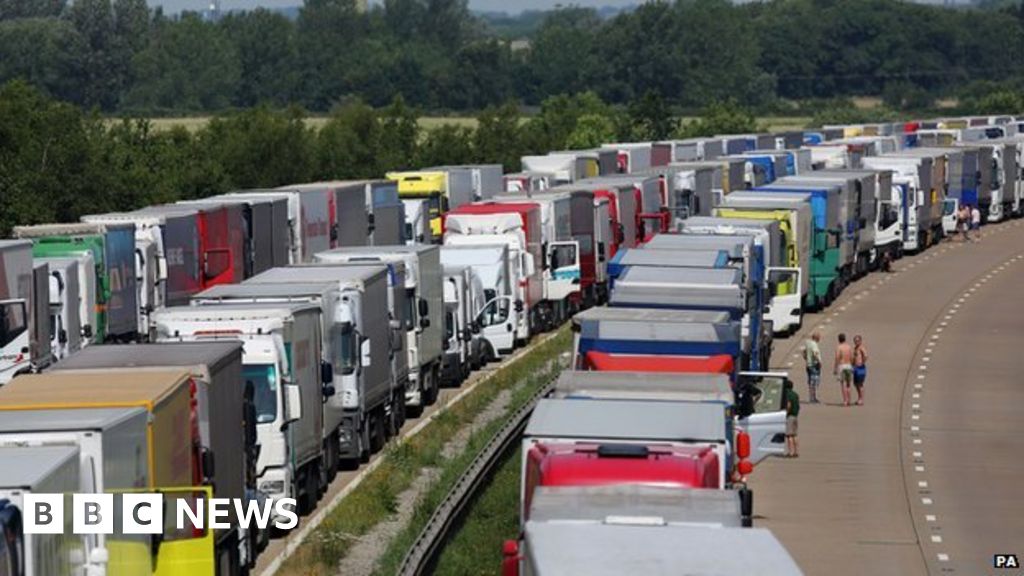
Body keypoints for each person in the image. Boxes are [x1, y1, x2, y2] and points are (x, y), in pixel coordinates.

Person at [834, 333, 854, 407]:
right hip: (848, 365)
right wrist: (852, 365)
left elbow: (837, 357)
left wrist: (835, 367)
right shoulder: (849, 347)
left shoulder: (839, 347)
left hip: (842, 366)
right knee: (848, 384)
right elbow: (851, 357)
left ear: (839, 339)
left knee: (843, 384)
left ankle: (845, 400)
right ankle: (849, 400)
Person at [802, 331, 822, 403]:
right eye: (819, 337)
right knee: (814, 382)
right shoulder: (814, 345)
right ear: (817, 338)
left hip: (808, 364)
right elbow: (815, 353)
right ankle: (813, 398)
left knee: (810, 381)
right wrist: (819, 361)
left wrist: (806, 358)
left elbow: (804, 352)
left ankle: (811, 397)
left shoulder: (808, 343)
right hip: (814, 365)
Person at [783, 379, 800, 457]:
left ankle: (790, 452)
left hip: (789, 416)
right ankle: (796, 451)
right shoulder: (795, 394)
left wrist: (785, 413)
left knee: (789, 435)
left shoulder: (787, 394)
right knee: (794, 435)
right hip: (795, 415)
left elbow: (788, 405)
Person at [853, 334, 868, 406]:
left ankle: (861, 399)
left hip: (860, 368)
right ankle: (859, 397)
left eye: (857, 341)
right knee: (856, 384)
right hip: (855, 367)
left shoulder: (862, 348)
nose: (856, 342)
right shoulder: (855, 348)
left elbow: (865, 355)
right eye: (855, 341)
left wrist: (862, 362)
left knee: (860, 384)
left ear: (860, 341)